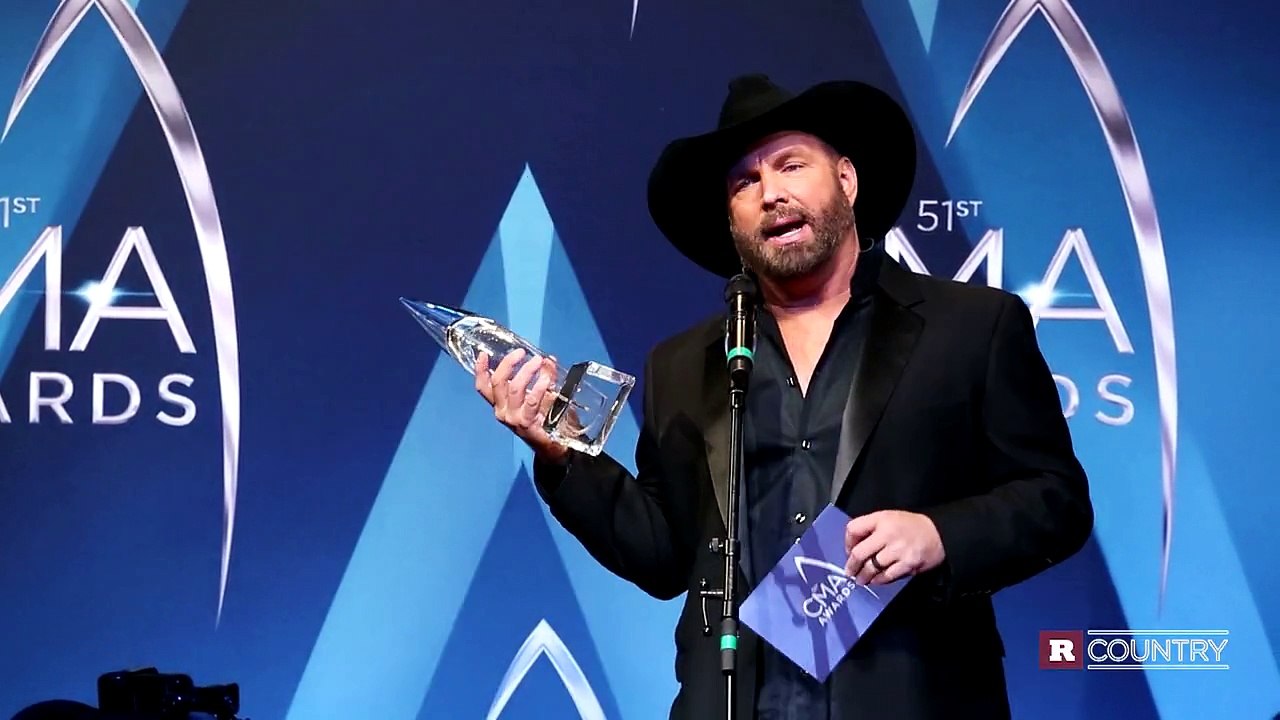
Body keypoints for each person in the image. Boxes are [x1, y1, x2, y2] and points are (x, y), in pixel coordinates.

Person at [473, 74, 1094, 719]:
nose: (770, 193)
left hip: (911, 695)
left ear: (847, 179)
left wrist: (937, 534)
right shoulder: (682, 365)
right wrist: (561, 454)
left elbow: (1056, 500)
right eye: (745, 183)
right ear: (730, 219)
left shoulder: (970, 327)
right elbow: (663, 556)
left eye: (791, 165)